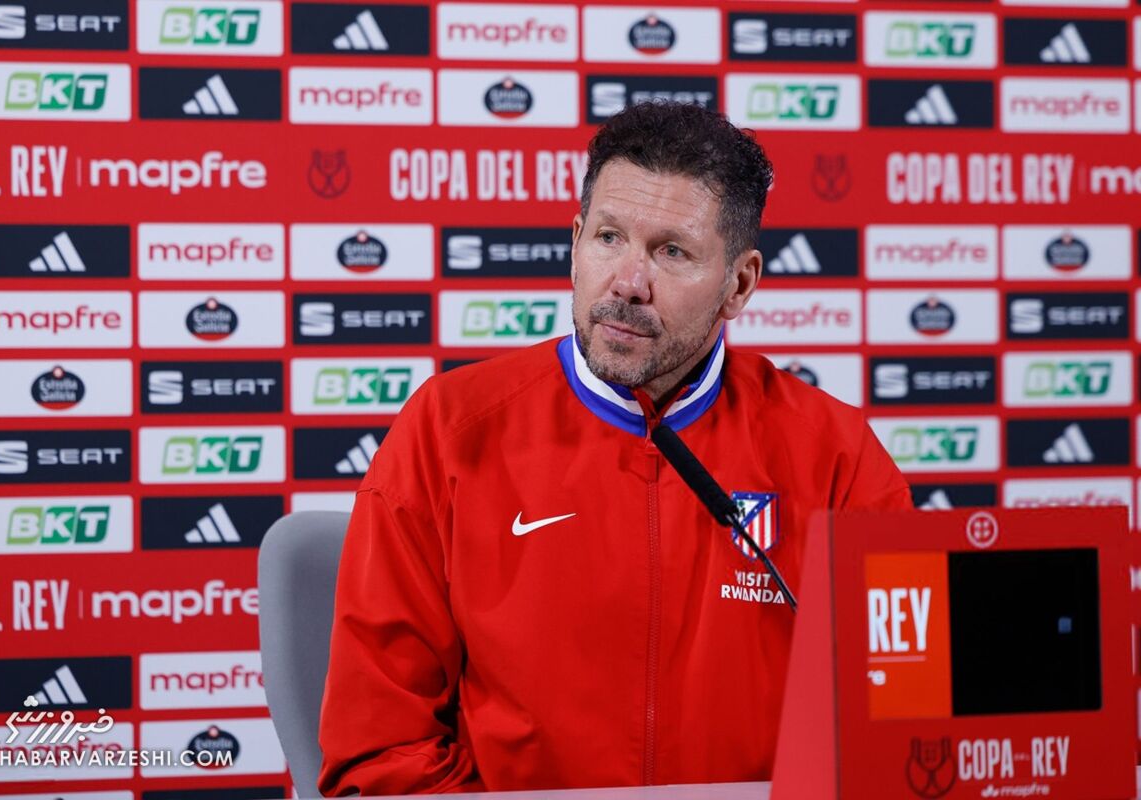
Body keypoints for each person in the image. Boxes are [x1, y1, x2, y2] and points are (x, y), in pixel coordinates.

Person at [317, 102, 911, 796]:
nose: (629, 282)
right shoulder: (448, 431)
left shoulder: (837, 456)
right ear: (575, 244)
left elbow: (898, 723)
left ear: (739, 284)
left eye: (672, 252)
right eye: (608, 237)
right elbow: (381, 751)